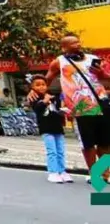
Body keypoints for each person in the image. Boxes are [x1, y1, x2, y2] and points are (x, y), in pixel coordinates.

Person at [29, 35, 110, 183]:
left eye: (78, 42)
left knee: (106, 143)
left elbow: (106, 78)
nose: (77, 45)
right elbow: (46, 79)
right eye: (72, 43)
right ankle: (95, 174)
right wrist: (34, 90)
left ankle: (105, 174)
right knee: (88, 144)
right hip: (81, 108)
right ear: (64, 48)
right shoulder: (59, 62)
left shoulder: (93, 58)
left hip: (102, 104)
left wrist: (102, 74)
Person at [29, 75, 73, 183]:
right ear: (32, 87)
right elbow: (38, 109)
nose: (41, 87)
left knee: (60, 151)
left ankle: (62, 171)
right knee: (52, 151)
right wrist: (44, 101)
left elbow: (57, 109)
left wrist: (63, 111)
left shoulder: (53, 97)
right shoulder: (34, 98)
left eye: (43, 84)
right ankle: (53, 172)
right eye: (37, 85)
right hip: (46, 129)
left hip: (58, 128)